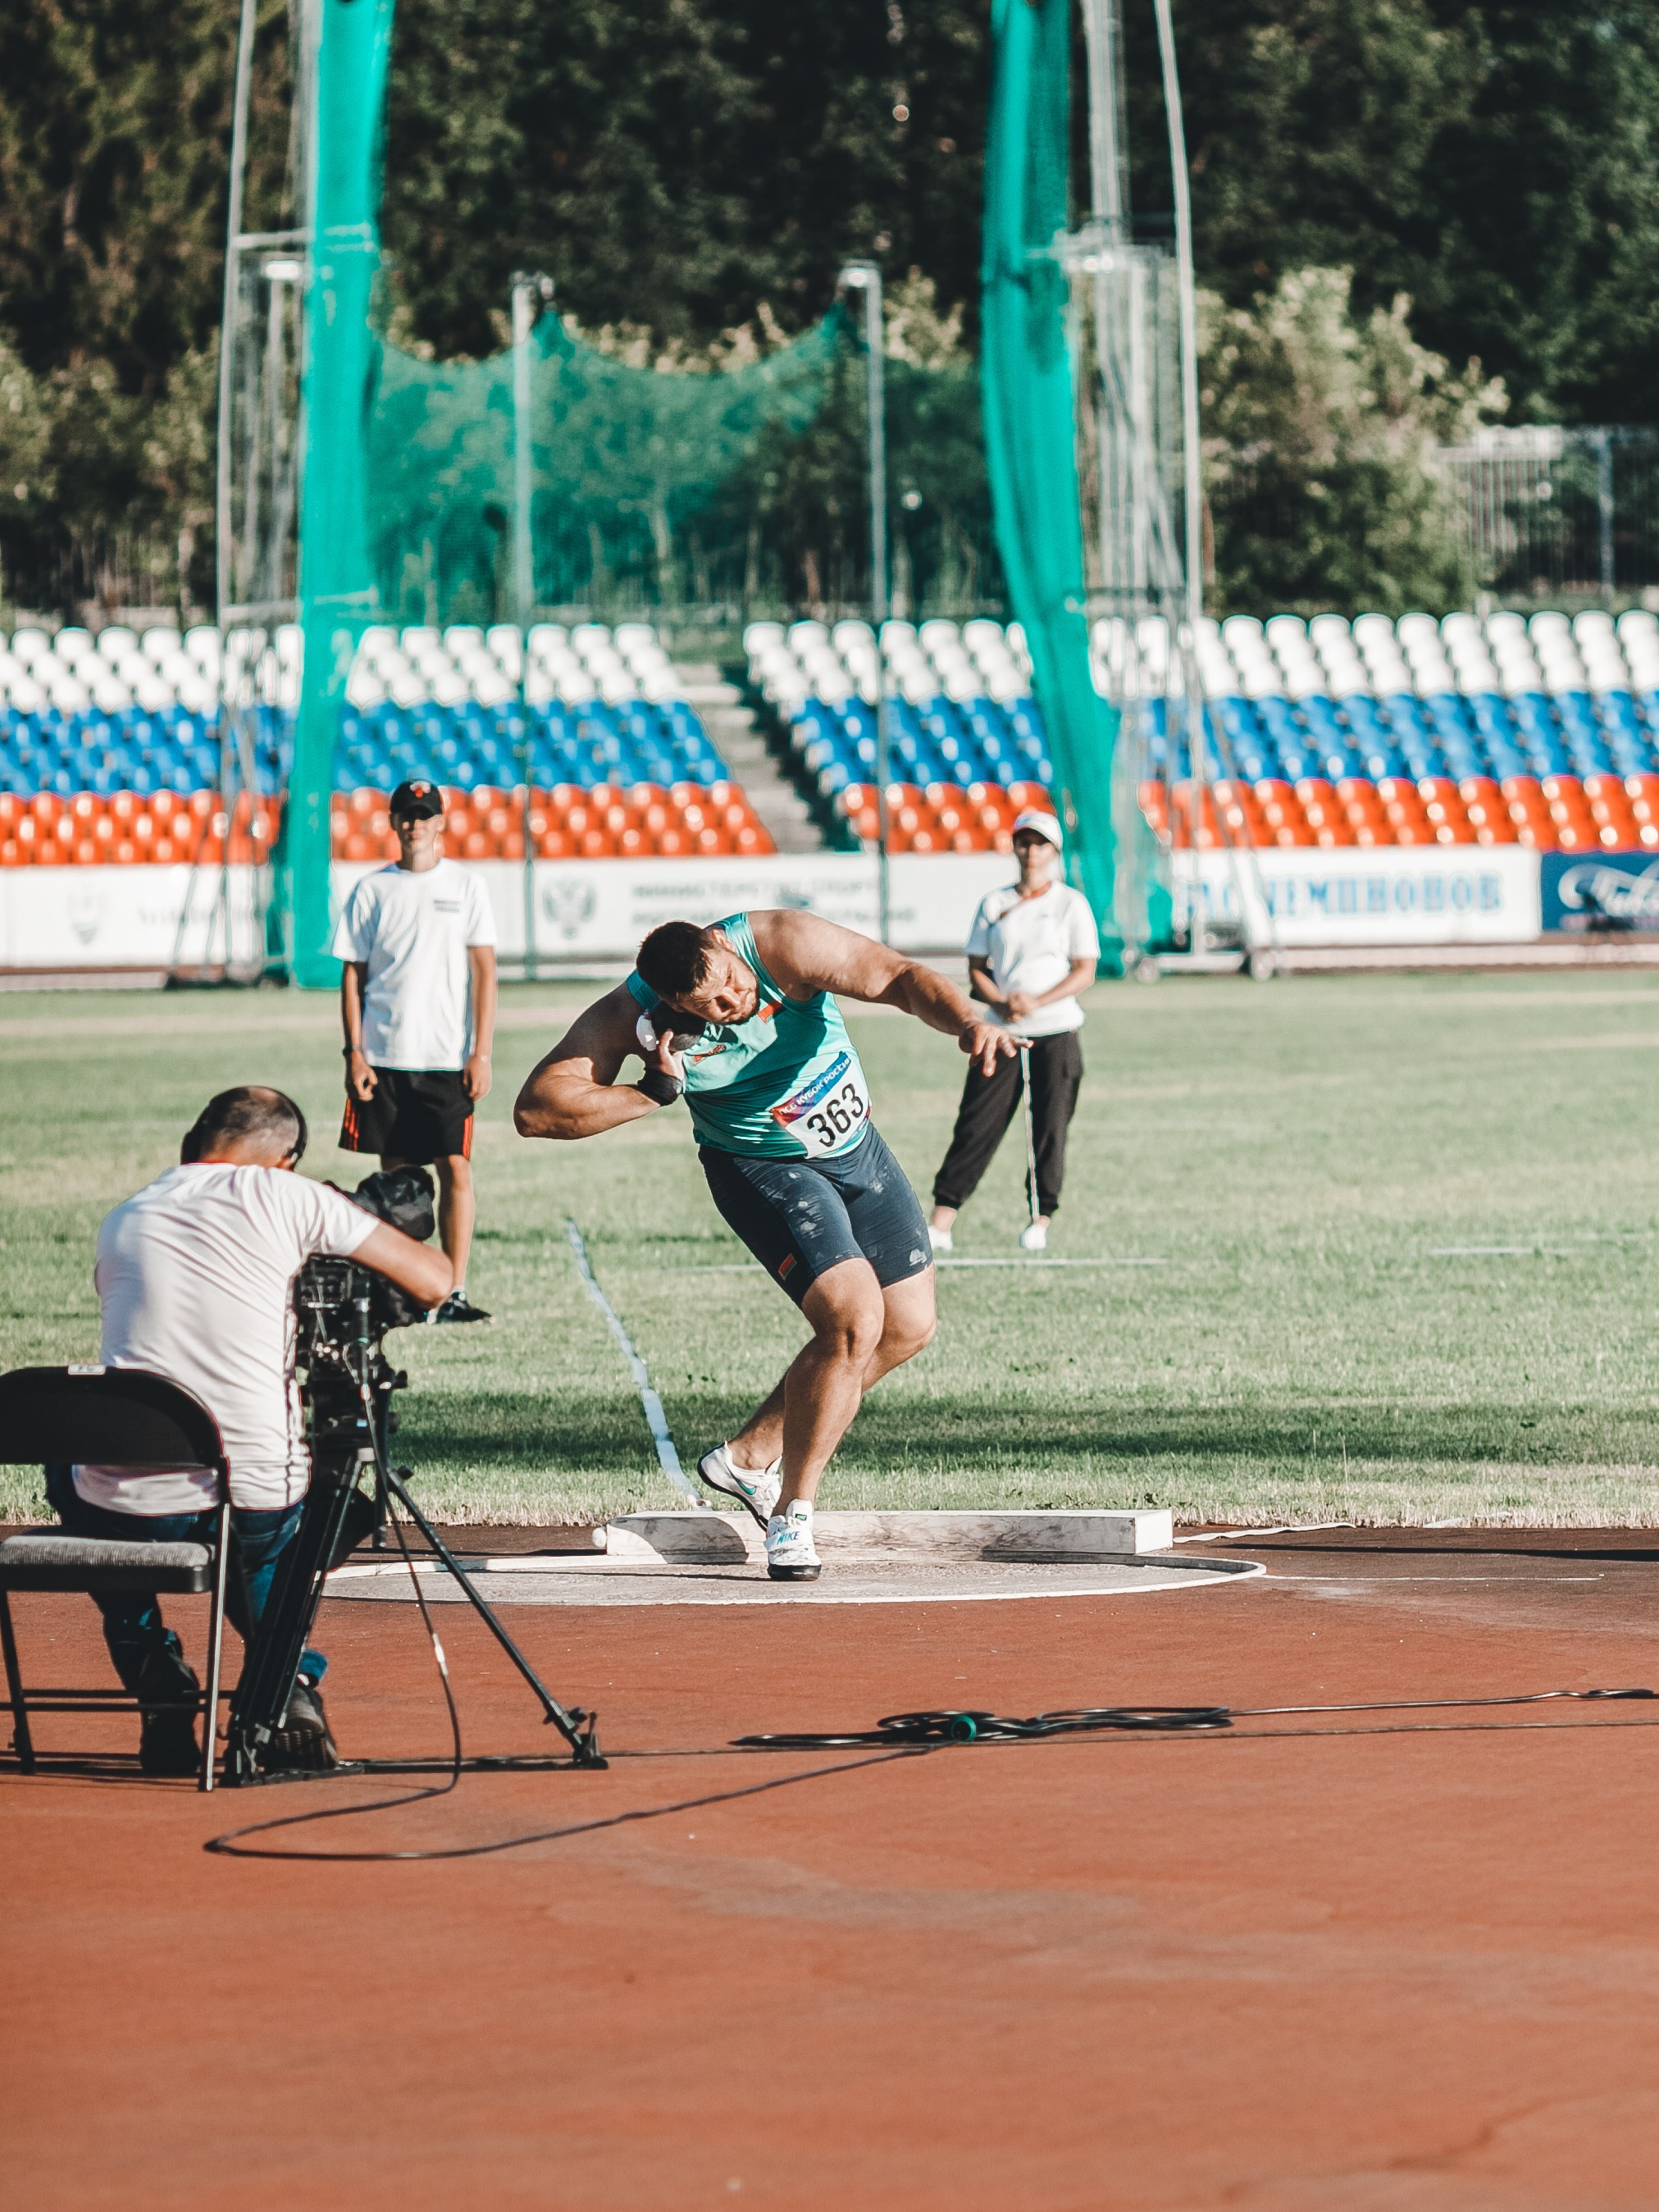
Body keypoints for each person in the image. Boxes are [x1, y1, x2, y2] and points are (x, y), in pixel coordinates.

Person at [513, 911, 1019, 1581]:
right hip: (762, 1168)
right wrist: (648, 1090)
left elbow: (896, 976)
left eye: (729, 982)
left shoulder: (780, 943)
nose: (732, 1003)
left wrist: (967, 1021)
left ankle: (748, 1455)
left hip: (854, 1146)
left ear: (722, 944)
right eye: (711, 1006)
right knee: (852, 1320)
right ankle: (791, 1514)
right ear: (671, 1006)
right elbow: (537, 1108)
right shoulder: (628, 1014)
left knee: (908, 1326)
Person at [50, 1086, 451, 1775]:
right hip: (251, 1492)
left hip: (129, 1507)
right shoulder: (289, 1199)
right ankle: (287, 1684)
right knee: (258, 1540)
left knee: (73, 1472)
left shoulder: (125, 1215)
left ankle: (153, 1666)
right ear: (284, 1158)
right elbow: (435, 1278)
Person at [333, 777, 498, 1323]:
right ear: (393, 821)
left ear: (441, 822)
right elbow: (353, 976)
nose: (415, 823)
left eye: (425, 814)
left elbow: (484, 974)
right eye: (407, 813)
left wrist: (482, 1052)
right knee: (396, 1180)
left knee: (456, 1167)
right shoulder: (371, 890)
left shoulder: (466, 886)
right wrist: (354, 1051)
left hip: (448, 1058)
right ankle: (401, 1290)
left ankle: (452, 1287)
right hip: (383, 1055)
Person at [927, 807, 1099, 1255]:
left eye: (1040, 843)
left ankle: (1040, 1218)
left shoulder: (1070, 904)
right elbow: (977, 970)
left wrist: (1037, 1002)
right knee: (976, 1122)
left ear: (1054, 852)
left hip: (1056, 1029)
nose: (1031, 852)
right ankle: (942, 1220)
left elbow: (1085, 970)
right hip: (1001, 1032)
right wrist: (1001, 1002)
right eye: (1024, 842)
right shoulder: (994, 902)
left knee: (1049, 1127)